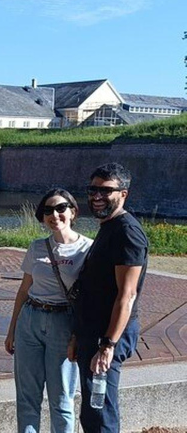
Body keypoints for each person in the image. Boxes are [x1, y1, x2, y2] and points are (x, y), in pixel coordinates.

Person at [5, 188, 92, 433]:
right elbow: (24, 290)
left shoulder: (87, 249)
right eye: (47, 211)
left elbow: (90, 298)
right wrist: (12, 330)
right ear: (42, 217)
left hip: (63, 323)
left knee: (62, 398)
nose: (54, 214)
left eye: (60, 208)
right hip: (30, 320)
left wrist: (78, 335)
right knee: (26, 397)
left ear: (73, 211)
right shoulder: (36, 247)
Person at [70, 163, 148, 432]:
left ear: (123, 194)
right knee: (93, 411)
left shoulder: (127, 233)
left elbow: (126, 296)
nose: (96, 196)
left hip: (107, 335)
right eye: (92, 189)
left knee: (100, 411)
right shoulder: (110, 226)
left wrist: (107, 345)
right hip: (93, 332)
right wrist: (79, 335)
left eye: (105, 190)